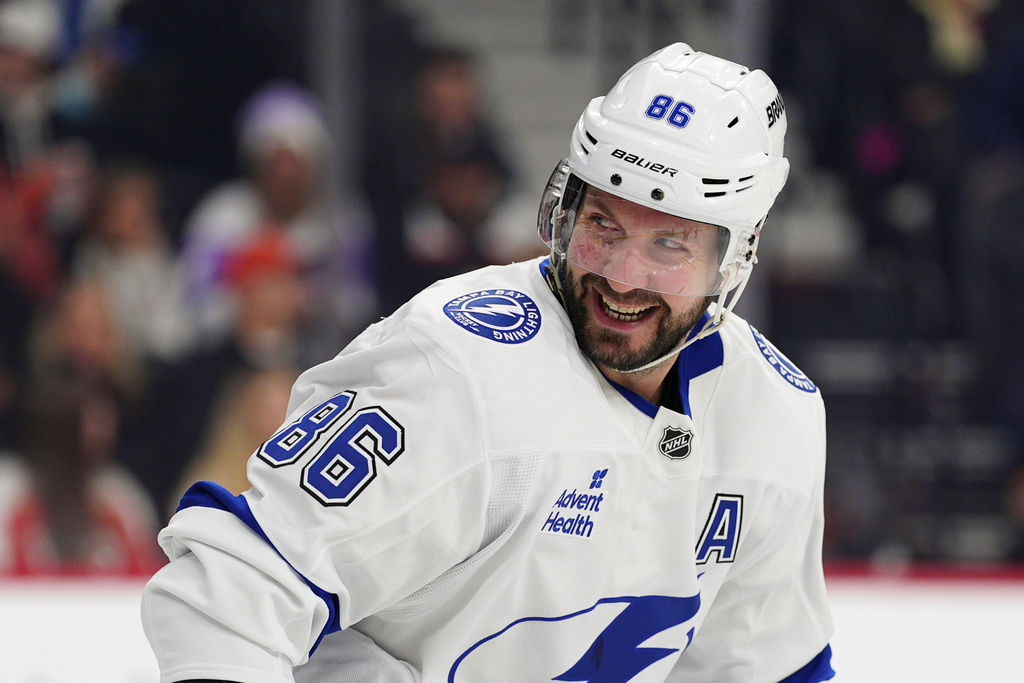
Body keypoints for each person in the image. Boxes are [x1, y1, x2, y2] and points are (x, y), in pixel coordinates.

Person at [142, 43, 835, 682]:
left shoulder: (776, 416)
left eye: (668, 245)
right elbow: (225, 595)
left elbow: (763, 668)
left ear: (736, 257)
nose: (622, 277)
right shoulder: (456, 366)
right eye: (603, 224)